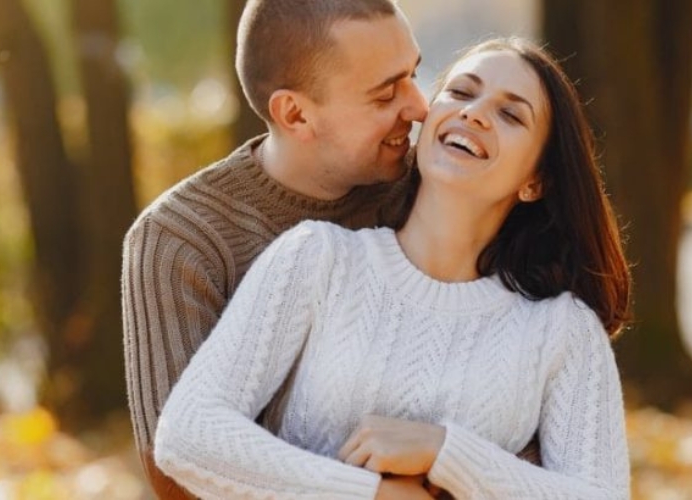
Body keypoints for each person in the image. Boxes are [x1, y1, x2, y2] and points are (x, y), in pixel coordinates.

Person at [153, 36, 633, 499]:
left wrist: (447, 453)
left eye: (509, 114)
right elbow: (189, 432)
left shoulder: (561, 330)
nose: (473, 113)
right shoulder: (318, 259)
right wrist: (371, 494)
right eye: (461, 92)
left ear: (536, 180)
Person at [121, 0, 428, 497]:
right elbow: (177, 474)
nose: (420, 107)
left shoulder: (431, 190)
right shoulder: (181, 238)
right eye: (386, 93)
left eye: (414, 75)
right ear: (296, 113)